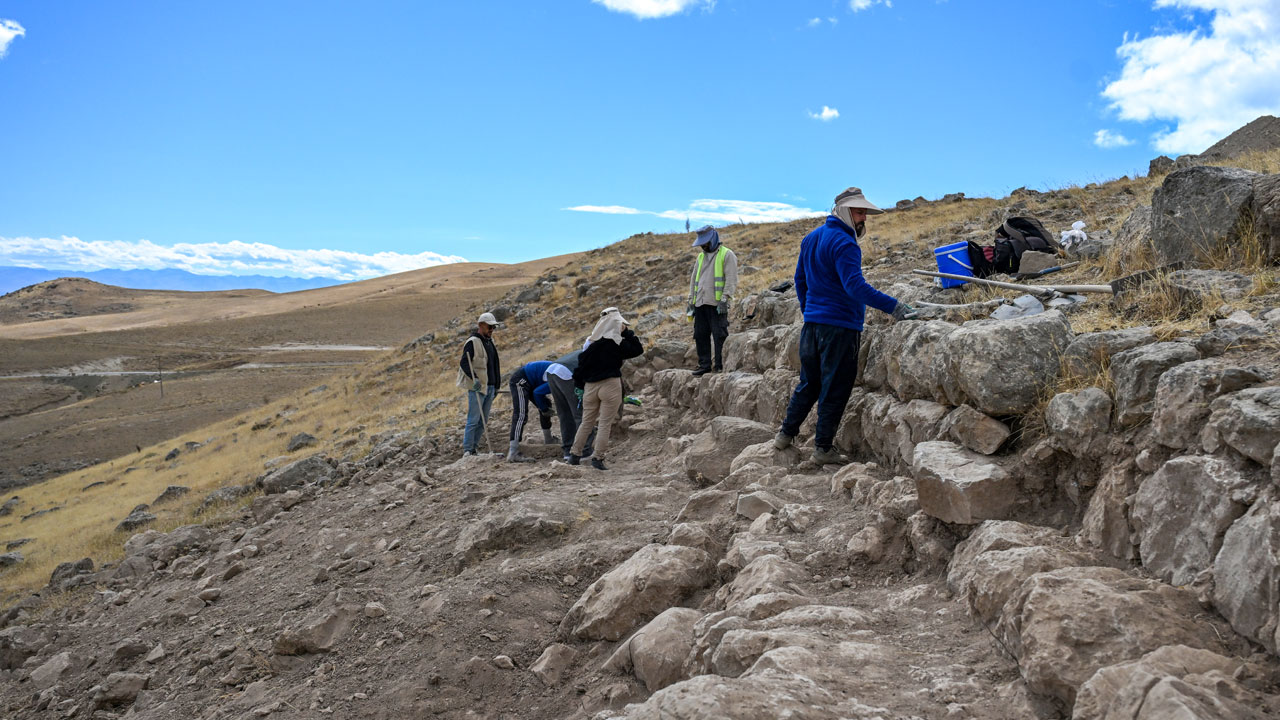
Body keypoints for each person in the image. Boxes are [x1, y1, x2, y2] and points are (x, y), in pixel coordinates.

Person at [775, 188, 915, 465]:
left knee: (809, 383)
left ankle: (785, 435)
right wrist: (895, 307)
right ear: (844, 211)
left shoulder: (811, 238)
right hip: (839, 327)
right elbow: (855, 287)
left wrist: (810, 311)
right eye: (859, 212)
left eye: (864, 212)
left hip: (812, 326)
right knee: (835, 388)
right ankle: (823, 449)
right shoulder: (845, 243)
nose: (864, 218)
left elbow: (800, 281)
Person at [569, 308, 643, 470]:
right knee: (604, 423)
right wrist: (626, 333)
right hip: (610, 384)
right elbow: (638, 349)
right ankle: (598, 458)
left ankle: (574, 455)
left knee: (586, 422)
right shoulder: (617, 343)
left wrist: (582, 387)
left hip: (590, 387)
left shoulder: (591, 346)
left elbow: (579, 370)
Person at [687, 225, 738, 376]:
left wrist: (725, 299)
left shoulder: (727, 255)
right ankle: (704, 365)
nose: (703, 246)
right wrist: (691, 300)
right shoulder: (701, 257)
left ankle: (720, 365)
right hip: (700, 302)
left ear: (713, 239)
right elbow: (693, 280)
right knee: (700, 334)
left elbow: (731, 279)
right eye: (701, 243)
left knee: (719, 334)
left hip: (717, 304)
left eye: (705, 242)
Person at [457, 312, 501, 456]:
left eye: (493, 327)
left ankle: (474, 448)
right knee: (474, 419)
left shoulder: (490, 342)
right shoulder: (473, 342)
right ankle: (468, 450)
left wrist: (497, 385)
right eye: (489, 327)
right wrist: (474, 378)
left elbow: (494, 365)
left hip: (491, 386)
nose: (491, 330)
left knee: (483, 420)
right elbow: (464, 362)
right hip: (478, 387)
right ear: (481, 325)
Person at [507, 360, 558, 462]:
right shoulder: (557, 379)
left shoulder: (562, 376)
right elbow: (537, 393)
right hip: (521, 380)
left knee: (546, 404)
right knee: (521, 413)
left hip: (533, 381)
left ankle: (548, 439)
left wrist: (544, 408)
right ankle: (513, 452)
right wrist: (544, 410)